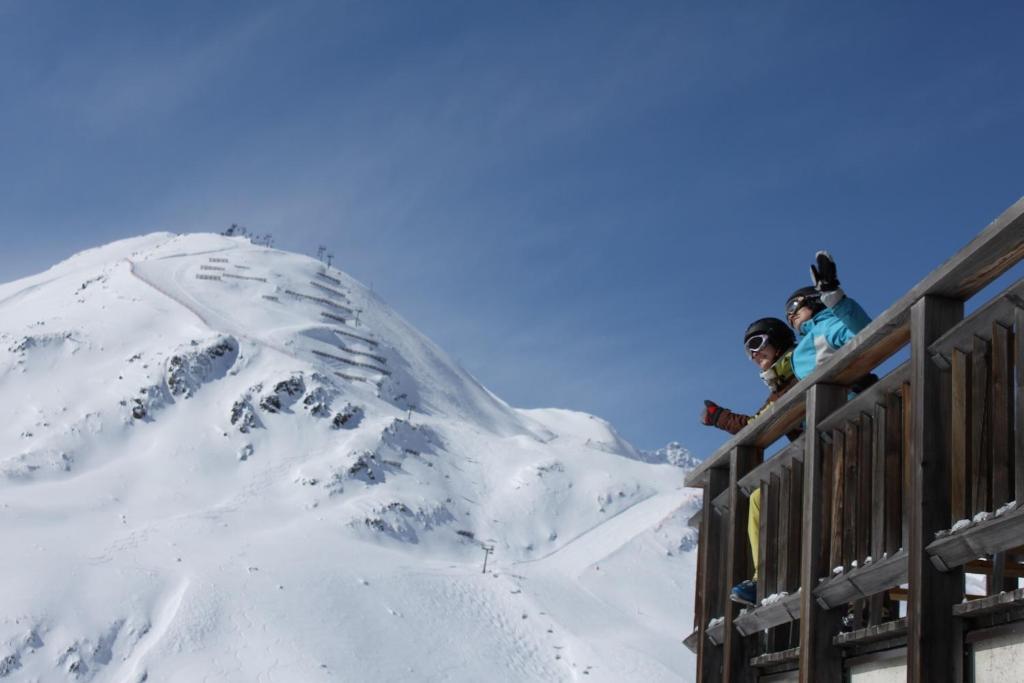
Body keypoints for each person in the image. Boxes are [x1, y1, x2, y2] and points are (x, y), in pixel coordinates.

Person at [700, 317, 799, 606]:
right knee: (760, 497)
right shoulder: (782, 383)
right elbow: (758, 423)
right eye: (748, 351)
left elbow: (763, 421)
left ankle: (765, 578)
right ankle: (766, 576)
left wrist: (719, 417)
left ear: (778, 340)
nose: (753, 355)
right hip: (823, 451)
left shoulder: (800, 366)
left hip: (831, 448)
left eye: (757, 344)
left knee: (760, 498)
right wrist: (720, 417)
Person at [785, 251, 872, 381]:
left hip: (847, 396)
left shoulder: (827, 327)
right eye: (787, 316)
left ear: (813, 300)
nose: (791, 316)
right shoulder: (808, 339)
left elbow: (864, 333)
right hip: (821, 399)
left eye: (793, 306)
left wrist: (834, 298)